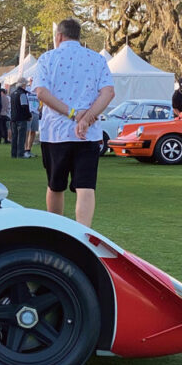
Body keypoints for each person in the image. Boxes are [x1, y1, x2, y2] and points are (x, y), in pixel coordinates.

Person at [34, 18, 115, 227]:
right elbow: (108, 92)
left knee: (55, 186)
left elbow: (41, 92)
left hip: (56, 133)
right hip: (89, 134)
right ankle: (84, 233)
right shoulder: (97, 60)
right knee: (86, 187)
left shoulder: (47, 58)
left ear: (59, 36)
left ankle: (57, 230)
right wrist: (87, 118)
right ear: (79, 36)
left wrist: (73, 114)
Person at [9, 78, 32, 159]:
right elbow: (24, 106)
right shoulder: (22, 94)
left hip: (13, 118)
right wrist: (28, 116)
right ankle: (20, 154)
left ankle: (13, 154)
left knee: (14, 137)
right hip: (21, 118)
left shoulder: (12, 94)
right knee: (21, 137)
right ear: (23, 85)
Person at [25, 81, 40, 158]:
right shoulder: (27, 89)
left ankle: (29, 149)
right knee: (27, 131)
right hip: (28, 112)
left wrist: (40, 108)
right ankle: (25, 149)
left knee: (33, 131)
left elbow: (41, 100)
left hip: (36, 112)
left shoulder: (38, 89)